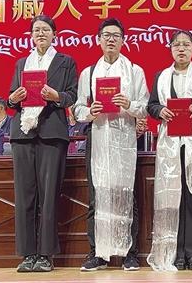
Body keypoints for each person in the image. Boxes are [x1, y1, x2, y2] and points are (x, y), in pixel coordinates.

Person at [72, 18, 149, 272]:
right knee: (97, 195)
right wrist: (90, 111)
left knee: (127, 194)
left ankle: (129, 253)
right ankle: (98, 253)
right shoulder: (88, 73)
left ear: (123, 40)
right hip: (98, 138)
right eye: (106, 35)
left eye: (116, 35)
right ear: (98, 40)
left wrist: (129, 104)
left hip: (125, 139)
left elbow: (145, 107)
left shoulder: (135, 71)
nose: (111, 39)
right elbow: (78, 108)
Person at [6, 15, 78, 273]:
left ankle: (46, 255)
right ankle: (28, 254)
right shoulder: (22, 63)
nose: (40, 34)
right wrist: (13, 99)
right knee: (24, 195)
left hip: (51, 132)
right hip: (23, 134)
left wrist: (56, 95)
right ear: (31, 36)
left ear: (54, 34)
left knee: (48, 197)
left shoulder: (65, 62)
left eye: (45, 30)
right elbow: (11, 99)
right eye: (36, 30)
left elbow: (73, 95)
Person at [146, 30, 192, 271]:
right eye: (176, 44)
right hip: (170, 143)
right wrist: (159, 111)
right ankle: (175, 252)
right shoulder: (161, 76)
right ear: (170, 49)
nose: (181, 49)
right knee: (172, 197)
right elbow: (151, 104)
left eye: (186, 45)